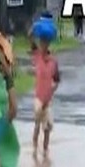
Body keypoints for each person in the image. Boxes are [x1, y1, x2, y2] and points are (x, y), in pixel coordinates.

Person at [28, 20, 60, 156]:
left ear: (48, 44)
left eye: (45, 42)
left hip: (48, 99)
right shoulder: (37, 56)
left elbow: (57, 80)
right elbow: (29, 38)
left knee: (47, 128)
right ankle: (34, 150)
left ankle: (45, 152)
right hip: (38, 98)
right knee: (37, 123)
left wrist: (53, 90)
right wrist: (33, 29)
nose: (42, 44)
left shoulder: (53, 61)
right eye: (41, 42)